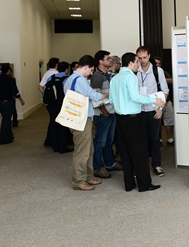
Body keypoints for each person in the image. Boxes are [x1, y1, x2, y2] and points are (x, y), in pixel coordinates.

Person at [110, 52, 165, 192]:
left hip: (120, 119)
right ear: (131, 63)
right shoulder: (131, 77)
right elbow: (135, 97)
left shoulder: (115, 78)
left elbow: (111, 99)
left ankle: (129, 184)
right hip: (133, 120)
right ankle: (144, 184)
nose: (138, 64)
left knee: (126, 153)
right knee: (140, 153)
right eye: (136, 61)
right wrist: (155, 100)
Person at [63, 55, 108, 191]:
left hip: (79, 118)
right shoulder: (80, 80)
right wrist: (108, 94)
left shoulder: (70, 79)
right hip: (81, 119)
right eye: (91, 70)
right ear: (87, 67)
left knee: (89, 149)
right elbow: (94, 96)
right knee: (82, 151)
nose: (91, 73)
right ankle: (79, 181)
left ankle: (88, 176)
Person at [136, 46, 169, 176]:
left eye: (144, 57)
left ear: (149, 56)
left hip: (153, 109)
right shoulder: (135, 71)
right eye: (140, 58)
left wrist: (160, 109)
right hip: (138, 110)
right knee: (140, 140)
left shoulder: (157, 71)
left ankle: (157, 165)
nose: (142, 60)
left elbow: (165, 91)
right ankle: (142, 166)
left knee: (154, 139)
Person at [90, 50, 122, 179]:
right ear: (100, 61)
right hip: (103, 114)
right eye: (108, 59)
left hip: (111, 112)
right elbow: (95, 97)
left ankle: (110, 163)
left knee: (109, 141)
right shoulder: (97, 76)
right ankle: (98, 167)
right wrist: (104, 111)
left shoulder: (107, 75)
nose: (111, 60)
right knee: (100, 141)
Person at [0, 65, 25, 145]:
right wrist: (21, 100)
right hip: (7, 102)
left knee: (6, 118)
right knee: (6, 120)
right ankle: (3, 138)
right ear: (9, 71)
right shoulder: (10, 80)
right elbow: (15, 91)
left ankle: (10, 136)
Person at [46, 61, 73, 154]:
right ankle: (62, 146)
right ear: (66, 70)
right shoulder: (67, 79)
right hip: (62, 105)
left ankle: (55, 146)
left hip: (51, 105)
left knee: (53, 124)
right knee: (63, 126)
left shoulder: (51, 78)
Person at [153, 56, 175, 146]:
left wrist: (162, 79)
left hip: (167, 100)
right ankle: (159, 139)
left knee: (169, 119)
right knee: (157, 121)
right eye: (156, 63)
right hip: (155, 101)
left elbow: (171, 80)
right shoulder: (151, 73)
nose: (158, 65)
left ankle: (170, 138)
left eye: (159, 63)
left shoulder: (163, 72)